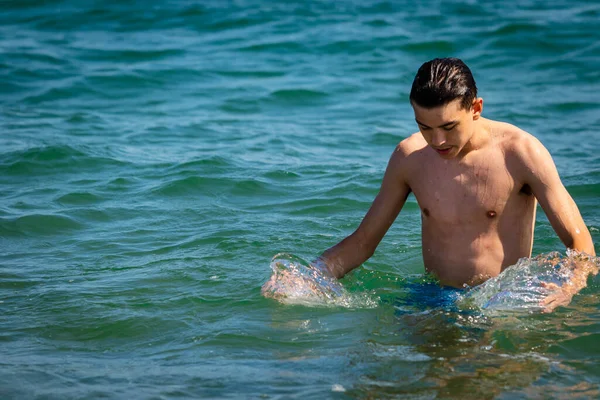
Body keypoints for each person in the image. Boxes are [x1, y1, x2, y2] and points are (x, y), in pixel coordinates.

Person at [313, 57, 596, 312]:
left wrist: (570, 284)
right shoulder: (410, 157)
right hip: (431, 296)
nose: (437, 141)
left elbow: (578, 239)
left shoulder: (521, 153)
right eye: (425, 127)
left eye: (449, 127)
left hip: (497, 302)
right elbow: (363, 241)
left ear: (475, 108)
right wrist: (314, 273)